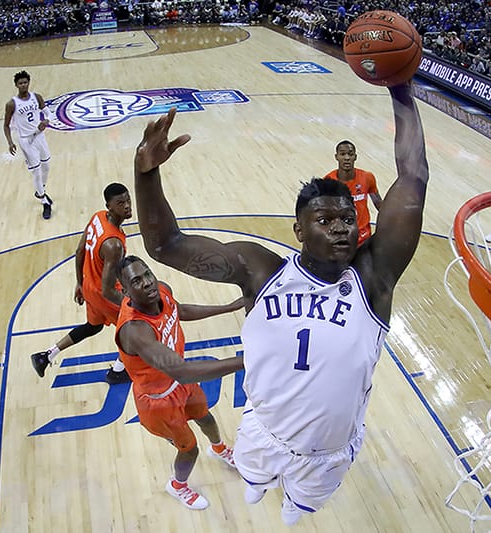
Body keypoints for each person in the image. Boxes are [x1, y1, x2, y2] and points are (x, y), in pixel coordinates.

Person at [132, 83, 429, 525]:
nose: (341, 229)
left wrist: (400, 89)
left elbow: (412, 180)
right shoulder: (260, 270)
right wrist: (146, 175)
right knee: (254, 487)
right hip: (261, 432)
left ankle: (292, 504)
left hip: (329, 454)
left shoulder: (373, 278)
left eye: (347, 219)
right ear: (298, 230)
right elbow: (166, 246)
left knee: (296, 516)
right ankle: (256, 484)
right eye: (324, 220)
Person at [115, 255, 245, 510]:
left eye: (148, 274)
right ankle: (177, 486)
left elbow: (178, 310)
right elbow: (182, 371)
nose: (148, 283)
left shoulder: (161, 290)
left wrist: (228, 307)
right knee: (189, 448)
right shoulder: (135, 331)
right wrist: (246, 361)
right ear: (126, 291)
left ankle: (219, 449)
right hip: (158, 401)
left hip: (180, 384)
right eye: (137, 281)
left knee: (205, 416)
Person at [30, 184, 134, 382]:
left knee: (93, 327)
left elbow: (80, 251)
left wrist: (79, 284)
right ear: (110, 206)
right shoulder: (114, 244)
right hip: (104, 293)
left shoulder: (98, 217)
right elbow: (108, 289)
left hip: (88, 286)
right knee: (134, 325)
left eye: (128, 200)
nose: (127, 206)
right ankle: (119, 371)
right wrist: (132, 304)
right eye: (121, 203)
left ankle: (47, 355)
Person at [3, 70, 54, 220]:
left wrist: (46, 120)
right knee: (36, 171)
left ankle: (40, 190)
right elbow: (6, 125)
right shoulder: (11, 104)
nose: (23, 85)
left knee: (47, 166)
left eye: (25, 82)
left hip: (39, 136)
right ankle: (45, 201)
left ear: (28, 83)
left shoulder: (36, 97)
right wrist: (10, 142)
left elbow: (49, 113)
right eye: (20, 83)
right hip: (26, 140)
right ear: (16, 85)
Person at [323, 140, 383, 246]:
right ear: (336, 157)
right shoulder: (328, 181)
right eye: (342, 154)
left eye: (350, 154)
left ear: (355, 157)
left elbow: (379, 204)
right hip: (340, 236)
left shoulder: (367, 178)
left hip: (363, 237)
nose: (347, 158)